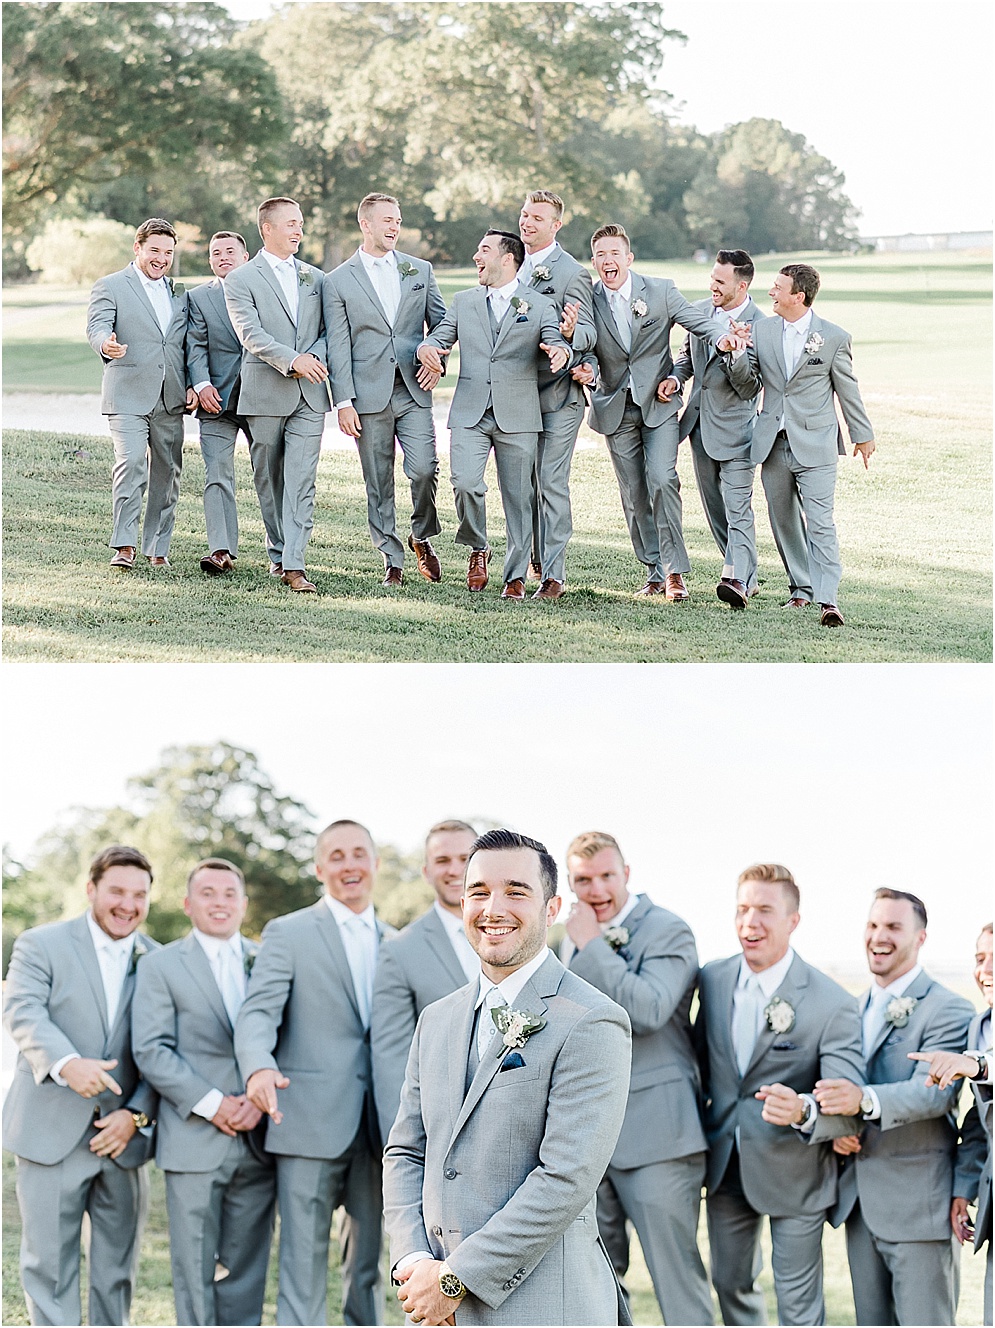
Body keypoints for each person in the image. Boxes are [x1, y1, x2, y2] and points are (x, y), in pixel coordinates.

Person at [383, 828, 632, 1326]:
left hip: (544, 1306)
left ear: (551, 908)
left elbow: (566, 1178)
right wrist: (414, 1262)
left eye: (516, 891)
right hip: (436, 1309)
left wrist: (457, 1279)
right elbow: (407, 1149)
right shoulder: (436, 1019)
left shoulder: (590, 1019)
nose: (493, 908)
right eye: (478, 892)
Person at [234, 820, 394, 1325]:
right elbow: (258, 1013)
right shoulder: (288, 932)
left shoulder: (399, 942)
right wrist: (259, 1066)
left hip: (380, 1127)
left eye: (359, 854)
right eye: (337, 856)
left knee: (368, 1264)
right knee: (302, 1262)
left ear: (375, 863)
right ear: (320, 867)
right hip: (304, 1120)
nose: (350, 865)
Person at [695, 862, 864, 1325]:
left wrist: (804, 1109)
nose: (750, 922)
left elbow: (850, 1107)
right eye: (742, 909)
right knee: (729, 1283)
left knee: (798, 1306)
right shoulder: (711, 979)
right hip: (726, 1166)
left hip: (797, 1173)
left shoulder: (832, 1003)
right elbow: (701, 1064)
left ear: (793, 920)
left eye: (765, 910)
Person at [2, 846, 160, 1326]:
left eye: (140, 894)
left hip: (123, 1140)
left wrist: (136, 1115)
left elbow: (167, 1050)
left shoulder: (158, 959)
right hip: (51, 1132)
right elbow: (22, 1009)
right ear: (91, 889)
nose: (127, 904)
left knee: (117, 1274)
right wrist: (67, 1063)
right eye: (117, 890)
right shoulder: (41, 943)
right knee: (49, 1271)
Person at [562, 831, 713, 1325]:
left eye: (606, 875)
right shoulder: (569, 939)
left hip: (659, 1137)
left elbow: (648, 1009)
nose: (596, 889)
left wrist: (592, 945)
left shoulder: (669, 930)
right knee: (593, 1284)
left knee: (677, 1284)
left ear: (626, 873)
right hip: (586, 1139)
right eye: (582, 879)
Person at [813, 889, 973, 1325]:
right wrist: (837, 1125)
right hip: (858, 1203)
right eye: (873, 925)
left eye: (893, 927)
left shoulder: (949, 1008)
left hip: (920, 1204)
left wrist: (862, 1101)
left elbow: (935, 1093)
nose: (878, 936)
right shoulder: (849, 1008)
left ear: (920, 937)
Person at [132, 858, 276, 1326]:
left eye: (229, 893)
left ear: (244, 903)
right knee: (192, 1268)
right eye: (208, 893)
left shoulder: (267, 961)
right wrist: (215, 1104)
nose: (220, 902)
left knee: (247, 1266)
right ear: (188, 904)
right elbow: (152, 1049)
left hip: (259, 1139)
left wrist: (257, 1101)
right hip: (193, 1136)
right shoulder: (159, 965)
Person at [576, 224, 743, 600]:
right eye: (601, 255)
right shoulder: (588, 298)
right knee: (634, 493)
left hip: (659, 405)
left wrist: (720, 336)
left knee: (663, 479)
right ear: (594, 262)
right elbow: (585, 343)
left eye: (614, 253)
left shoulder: (661, 290)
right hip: (614, 407)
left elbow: (695, 320)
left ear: (628, 258)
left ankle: (675, 574)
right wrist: (586, 366)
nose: (608, 261)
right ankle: (653, 569)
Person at [417, 230, 571, 597]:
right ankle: (478, 547)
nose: (475, 256)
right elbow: (439, 337)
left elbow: (555, 339)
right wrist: (427, 348)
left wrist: (561, 351)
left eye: (483, 250)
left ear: (508, 259)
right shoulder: (464, 301)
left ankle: (515, 576)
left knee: (520, 499)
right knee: (466, 484)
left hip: (518, 413)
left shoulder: (538, 304)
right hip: (470, 410)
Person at [724, 262, 875, 626]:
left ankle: (829, 601)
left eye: (778, 288)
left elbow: (847, 389)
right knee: (785, 521)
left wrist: (863, 434)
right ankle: (801, 590)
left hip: (817, 443)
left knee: (821, 521)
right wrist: (736, 353)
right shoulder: (761, 331)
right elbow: (748, 386)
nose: (771, 293)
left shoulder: (834, 337)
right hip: (772, 443)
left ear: (798, 296)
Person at [324, 193, 447, 587]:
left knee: (425, 469)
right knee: (378, 479)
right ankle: (391, 558)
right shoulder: (338, 280)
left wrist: (436, 356)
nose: (395, 227)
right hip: (367, 394)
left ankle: (420, 535)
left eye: (398, 220)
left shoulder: (420, 270)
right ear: (366, 224)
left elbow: (444, 324)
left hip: (413, 389)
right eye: (387, 220)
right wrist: (343, 401)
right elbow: (338, 345)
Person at [223, 196, 329, 593]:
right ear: (267, 229)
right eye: (291, 224)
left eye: (301, 223)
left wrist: (313, 357)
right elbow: (250, 334)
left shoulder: (317, 278)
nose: (299, 230)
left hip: (311, 394)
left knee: (301, 479)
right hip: (265, 391)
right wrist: (293, 359)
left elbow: (330, 331)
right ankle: (278, 550)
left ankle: (295, 565)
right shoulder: (241, 279)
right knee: (269, 478)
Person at [86, 217, 194, 570]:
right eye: (154, 251)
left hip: (171, 396)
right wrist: (106, 343)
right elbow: (98, 325)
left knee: (168, 471)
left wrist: (194, 383)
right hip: (128, 393)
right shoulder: (111, 285)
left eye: (168, 252)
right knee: (131, 462)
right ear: (138, 248)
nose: (161, 258)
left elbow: (185, 344)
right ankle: (124, 545)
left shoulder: (179, 293)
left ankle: (157, 547)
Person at [660, 249, 764, 609]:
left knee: (738, 507)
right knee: (716, 510)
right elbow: (688, 356)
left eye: (720, 281)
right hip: (698, 427)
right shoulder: (700, 312)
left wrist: (736, 353)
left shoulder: (760, 325)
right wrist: (676, 378)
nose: (713, 286)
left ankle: (733, 577)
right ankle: (745, 574)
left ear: (742, 285)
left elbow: (751, 387)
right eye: (712, 279)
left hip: (738, 432)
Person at [371, 819, 480, 1142]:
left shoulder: (516, 931)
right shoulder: (400, 950)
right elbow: (391, 1059)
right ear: (426, 871)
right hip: (442, 1131)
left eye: (465, 858)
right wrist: (405, 1146)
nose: (454, 869)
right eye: (442, 861)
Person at [517, 190, 596, 599]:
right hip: (516, 395)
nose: (527, 222)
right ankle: (534, 556)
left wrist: (569, 333)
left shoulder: (572, 273)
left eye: (537, 218)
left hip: (559, 396)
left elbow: (589, 332)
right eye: (525, 214)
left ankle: (554, 575)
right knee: (524, 483)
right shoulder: (510, 261)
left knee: (551, 482)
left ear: (556, 225)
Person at [914, 921, 993, 1324]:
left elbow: (985, 1072)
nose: (987, 970)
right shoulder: (980, 1027)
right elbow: (982, 1122)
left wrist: (978, 1065)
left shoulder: (978, 1052)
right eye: (980, 959)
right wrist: (964, 1187)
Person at [186, 231, 253, 576]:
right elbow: (195, 344)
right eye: (216, 252)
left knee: (272, 478)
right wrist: (201, 384)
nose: (223, 256)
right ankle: (220, 550)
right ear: (210, 260)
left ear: (246, 256)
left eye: (230, 251)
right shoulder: (198, 298)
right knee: (216, 474)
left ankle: (282, 555)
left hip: (263, 400)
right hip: (217, 403)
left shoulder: (264, 288)